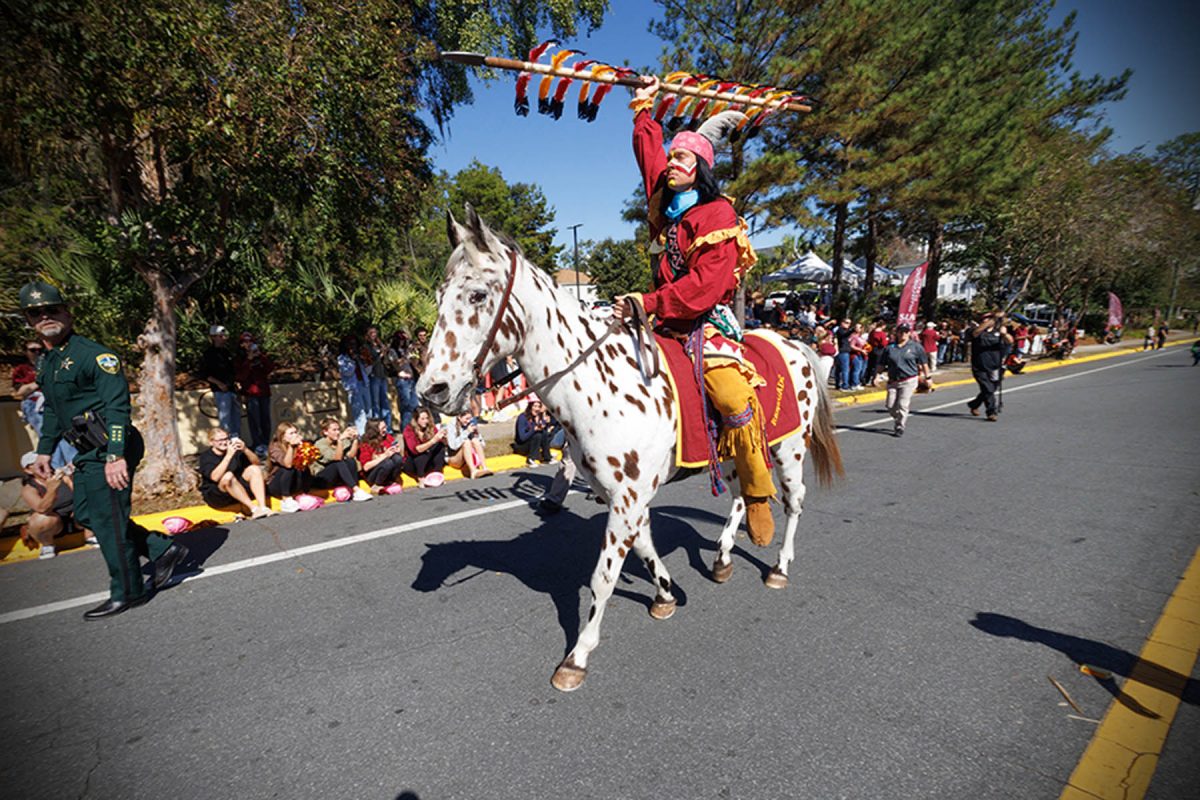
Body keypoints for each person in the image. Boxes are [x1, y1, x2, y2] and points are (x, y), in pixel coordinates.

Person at [617, 75, 778, 545]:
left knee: (731, 397)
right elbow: (649, 158)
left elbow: (705, 288)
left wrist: (647, 303)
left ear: (701, 167)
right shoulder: (666, 206)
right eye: (671, 158)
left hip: (704, 322)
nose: (671, 164)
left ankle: (756, 491)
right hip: (662, 319)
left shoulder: (718, 215)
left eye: (682, 157)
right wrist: (643, 105)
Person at [20, 280, 187, 619]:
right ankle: (161, 548)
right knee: (86, 514)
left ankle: (129, 592)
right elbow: (53, 409)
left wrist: (115, 455)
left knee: (108, 521)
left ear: (67, 312)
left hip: (110, 445)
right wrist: (44, 451)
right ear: (29, 321)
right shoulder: (48, 362)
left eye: (52, 309)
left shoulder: (95, 355)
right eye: (37, 313)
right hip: (86, 449)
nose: (46, 317)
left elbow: (117, 406)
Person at [19, 452, 96, 559]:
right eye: (39, 465)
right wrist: (52, 488)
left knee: (91, 502)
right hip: (54, 524)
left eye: (47, 463)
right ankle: (47, 545)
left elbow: (80, 495)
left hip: (75, 517)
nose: (46, 467)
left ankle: (91, 536)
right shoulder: (29, 489)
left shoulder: (62, 476)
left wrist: (70, 479)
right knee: (39, 520)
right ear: (28, 470)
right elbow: (42, 508)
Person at [197, 427, 274, 518]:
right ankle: (254, 509)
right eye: (220, 440)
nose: (224, 442)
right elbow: (215, 477)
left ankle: (263, 507)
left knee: (254, 469)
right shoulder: (206, 457)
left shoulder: (235, 449)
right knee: (228, 476)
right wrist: (229, 455)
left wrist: (245, 449)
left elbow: (257, 463)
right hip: (218, 495)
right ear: (211, 442)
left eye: (226, 438)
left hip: (238, 488)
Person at [876, 324, 929, 437]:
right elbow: (882, 363)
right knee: (890, 405)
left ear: (909, 333)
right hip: (893, 380)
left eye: (906, 331)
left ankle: (900, 425)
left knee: (902, 404)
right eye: (901, 331)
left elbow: (924, 363)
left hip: (908, 379)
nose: (903, 334)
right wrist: (876, 376)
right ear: (897, 333)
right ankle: (898, 418)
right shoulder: (890, 348)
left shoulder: (916, 347)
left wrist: (928, 377)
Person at [311, 417, 373, 500]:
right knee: (338, 463)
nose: (338, 432)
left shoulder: (341, 440)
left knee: (350, 461)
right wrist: (340, 440)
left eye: (338, 429)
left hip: (338, 475)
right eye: (334, 430)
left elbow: (351, 455)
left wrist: (355, 439)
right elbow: (337, 458)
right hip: (323, 478)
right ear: (325, 432)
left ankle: (355, 490)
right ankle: (356, 490)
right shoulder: (319, 444)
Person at [967, 311, 1014, 421]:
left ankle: (974, 404)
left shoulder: (998, 332)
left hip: (995, 366)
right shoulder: (974, 331)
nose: (986, 320)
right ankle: (991, 412)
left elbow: (1010, 341)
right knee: (988, 388)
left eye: (988, 318)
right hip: (980, 366)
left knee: (991, 389)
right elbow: (976, 333)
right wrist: (995, 318)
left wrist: (1004, 334)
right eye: (984, 318)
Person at [235, 332, 274, 457]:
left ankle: (266, 444)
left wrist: (260, 356)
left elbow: (270, 368)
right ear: (241, 344)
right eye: (245, 342)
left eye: (250, 341)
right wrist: (248, 360)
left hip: (264, 392)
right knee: (254, 421)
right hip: (251, 394)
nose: (248, 344)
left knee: (265, 421)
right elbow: (240, 376)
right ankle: (258, 446)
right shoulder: (239, 359)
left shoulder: (260, 356)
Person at [198, 324, 241, 439]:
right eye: (220, 336)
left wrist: (236, 383)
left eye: (224, 336)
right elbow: (204, 374)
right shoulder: (208, 354)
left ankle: (237, 445)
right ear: (213, 337)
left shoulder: (226, 352)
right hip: (221, 392)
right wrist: (219, 384)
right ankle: (227, 444)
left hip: (232, 390)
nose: (224, 338)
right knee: (225, 420)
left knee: (236, 419)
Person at [266, 422, 318, 513]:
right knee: (289, 468)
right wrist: (291, 447)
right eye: (291, 433)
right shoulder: (275, 447)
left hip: (294, 482)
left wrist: (304, 448)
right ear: (283, 437)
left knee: (302, 465)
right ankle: (286, 499)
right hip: (278, 484)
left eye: (296, 432)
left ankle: (304, 493)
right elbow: (288, 464)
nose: (295, 435)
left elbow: (309, 460)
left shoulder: (299, 444)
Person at [357, 417, 405, 494]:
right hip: (372, 474)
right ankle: (376, 485)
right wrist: (385, 455)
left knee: (397, 459)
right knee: (387, 462)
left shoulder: (387, 437)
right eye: (383, 428)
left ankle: (390, 480)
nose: (385, 430)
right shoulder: (365, 443)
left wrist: (397, 450)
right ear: (374, 430)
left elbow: (399, 455)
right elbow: (366, 467)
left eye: (385, 427)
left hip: (386, 469)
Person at [403, 407, 448, 485]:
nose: (426, 421)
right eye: (422, 419)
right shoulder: (409, 430)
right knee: (424, 451)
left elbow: (442, 443)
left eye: (427, 418)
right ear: (416, 419)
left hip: (427, 462)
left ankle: (438, 473)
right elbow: (415, 450)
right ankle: (420, 477)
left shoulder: (430, 427)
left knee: (439, 446)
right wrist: (433, 441)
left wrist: (444, 438)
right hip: (413, 463)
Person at [336, 334, 370, 435]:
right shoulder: (342, 358)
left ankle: (370, 433)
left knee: (368, 410)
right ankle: (362, 435)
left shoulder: (358, 357)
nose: (353, 347)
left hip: (364, 384)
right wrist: (352, 360)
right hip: (353, 388)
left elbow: (366, 371)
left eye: (354, 344)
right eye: (350, 345)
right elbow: (347, 372)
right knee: (359, 413)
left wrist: (366, 362)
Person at [446, 411, 492, 479]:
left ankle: (484, 467)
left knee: (474, 440)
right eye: (466, 418)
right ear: (459, 417)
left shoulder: (471, 424)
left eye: (470, 418)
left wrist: (477, 434)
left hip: (468, 457)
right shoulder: (451, 425)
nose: (468, 421)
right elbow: (453, 446)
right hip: (454, 458)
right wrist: (466, 432)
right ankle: (473, 471)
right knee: (466, 442)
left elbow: (483, 445)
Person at [389, 330, 420, 431]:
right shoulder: (392, 351)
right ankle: (405, 430)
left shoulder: (406, 350)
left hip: (412, 379)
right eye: (401, 340)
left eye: (404, 340)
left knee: (414, 405)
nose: (402, 342)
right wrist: (405, 355)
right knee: (406, 406)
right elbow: (395, 364)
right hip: (402, 381)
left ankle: (413, 428)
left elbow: (414, 362)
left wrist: (413, 354)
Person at [363, 325, 393, 432]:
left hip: (382, 376)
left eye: (375, 333)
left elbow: (386, 361)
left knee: (385, 402)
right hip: (373, 376)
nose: (374, 335)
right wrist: (379, 355)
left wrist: (384, 352)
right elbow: (369, 363)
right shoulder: (366, 347)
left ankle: (388, 428)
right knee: (375, 403)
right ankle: (377, 428)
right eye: (371, 333)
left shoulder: (379, 345)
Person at [514, 400, 560, 466]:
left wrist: (544, 424)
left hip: (534, 445)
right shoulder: (522, 417)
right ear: (530, 407)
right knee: (537, 435)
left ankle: (547, 457)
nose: (537, 409)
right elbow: (522, 438)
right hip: (521, 445)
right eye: (535, 406)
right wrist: (534, 429)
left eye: (539, 407)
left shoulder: (538, 417)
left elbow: (545, 433)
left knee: (543, 433)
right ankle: (531, 459)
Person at [832, 317, 855, 390]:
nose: (848, 325)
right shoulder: (840, 330)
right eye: (847, 323)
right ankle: (845, 385)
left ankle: (837, 384)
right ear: (842, 323)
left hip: (843, 351)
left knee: (838, 369)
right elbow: (844, 335)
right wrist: (852, 330)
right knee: (845, 370)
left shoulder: (844, 331)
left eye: (849, 323)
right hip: (843, 352)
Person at [848, 322, 869, 389]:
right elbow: (851, 346)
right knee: (856, 369)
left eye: (859, 327)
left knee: (859, 369)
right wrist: (861, 350)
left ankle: (854, 382)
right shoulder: (854, 336)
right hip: (855, 355)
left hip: (860, 355)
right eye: (856, 327)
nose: (857, 328)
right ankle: (855, 384)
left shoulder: (860, 336)